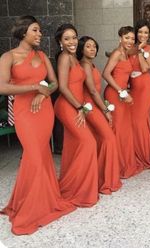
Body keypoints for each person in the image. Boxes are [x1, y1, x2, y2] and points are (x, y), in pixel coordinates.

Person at [0, 16, 75, 235]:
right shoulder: (8, 57)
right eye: (36, 30)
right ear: (24, 32)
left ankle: (45, 200)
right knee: (33, 154)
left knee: (41, 154)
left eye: (40, 30)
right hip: (24, 112)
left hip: (43, 111)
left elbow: (53, 84)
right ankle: (31, 206)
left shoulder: (42, 55)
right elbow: (2, 87)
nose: (40, 34)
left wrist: (42, 95)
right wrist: (35, 87)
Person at [54, 24, 98, 206]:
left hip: (77, 105)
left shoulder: (74, 58)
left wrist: (83, 107)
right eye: (67, 39)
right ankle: (76, 189)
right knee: (89, 143)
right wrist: (80, 107)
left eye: (74, 37)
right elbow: (63, 87)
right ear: (60, 42)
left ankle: (74, 186)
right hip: (67, 106)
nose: (72, 42)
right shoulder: (64, 58)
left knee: (73, 146)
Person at [77, 36, 122, 194]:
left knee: (101, 139)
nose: (92, 49)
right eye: (88, 46)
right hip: (89, 106)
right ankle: (104, 180)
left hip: (94, 104)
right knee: (109, 138)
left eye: (94, 46)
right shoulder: (85, 65)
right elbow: (93, 91)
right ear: (81, 48)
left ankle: (100, 177)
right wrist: (106, 110)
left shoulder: (91, 64)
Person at [103, 26, 141, 178]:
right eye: (127, 38)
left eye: (132, 38)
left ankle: (123, 163)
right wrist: (121, 91)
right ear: (120, 38)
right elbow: (105, 73)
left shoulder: (126, 53)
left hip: (122, 94)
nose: (130, 41)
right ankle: (115, 167)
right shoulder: (117, 53)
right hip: (115, 94)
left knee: (124, 130)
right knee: (117, 129)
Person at [129, 19, 150, 169]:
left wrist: (139, 50)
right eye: (140, 32)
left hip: (146, 88)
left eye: (146, 32)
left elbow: (145, 68)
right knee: (133, 121)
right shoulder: (129, 47)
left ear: (149, 34)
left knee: (140, 120)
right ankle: (134, 152)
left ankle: (145, 155)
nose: (142, 35)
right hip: (133, 88)